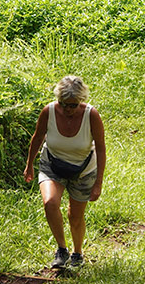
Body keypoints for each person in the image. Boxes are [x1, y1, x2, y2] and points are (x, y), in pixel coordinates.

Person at [22, 75, 106, 270]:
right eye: (63, 104)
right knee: (50, 203)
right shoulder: (49, 111)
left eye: (73, 105)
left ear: (81, 101)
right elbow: (37, 137)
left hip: (84, 170)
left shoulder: (91, 115)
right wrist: (29, 164)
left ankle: (78, 253)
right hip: (52, 164)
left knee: (75, 216)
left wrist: (98, 182)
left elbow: (100, 148)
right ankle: (62, 250)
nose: (68, 110)